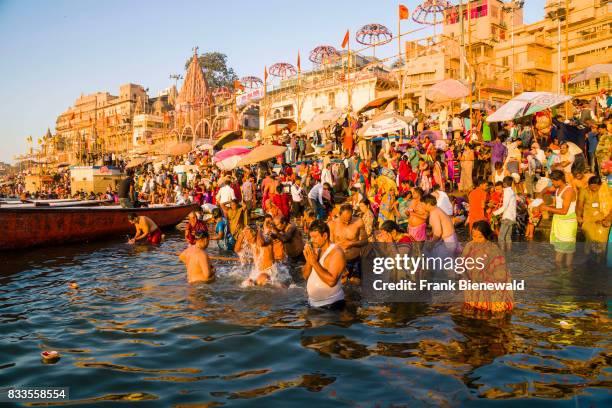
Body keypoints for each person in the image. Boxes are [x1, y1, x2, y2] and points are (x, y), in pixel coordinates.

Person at [462, 221, 514, 315]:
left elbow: (501, 274)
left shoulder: (493, 250)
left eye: (480, 237)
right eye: (473, 236)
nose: (476, 239)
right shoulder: (469, 246)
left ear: (486, 235)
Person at [303, 220, 346, 309]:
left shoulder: (336, 253)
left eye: (315, 237)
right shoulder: (316, 249)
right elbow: (305, 276)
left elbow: (331, 281)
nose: (312, 240)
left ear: (325, 236)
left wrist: (314, 263)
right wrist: (309, 261)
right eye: (311, 237)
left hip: (331, 305)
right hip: (313, 304)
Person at [538, 170, 577, 267]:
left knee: (565, 251)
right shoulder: (558, 187)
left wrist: (547, 208)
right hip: (560, 222)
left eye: (553, 181)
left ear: (560, 180)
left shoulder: (568, 191)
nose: (553, 183)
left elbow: (564, 211)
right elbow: (548, 188)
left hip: (567, 223)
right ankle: (564, 272)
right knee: (561, 249)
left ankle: (565, 272)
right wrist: (540, 195)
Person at [329, 204, 368, 282]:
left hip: (355, 259)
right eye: (344, 219)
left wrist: (352, 244)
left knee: (356, 283)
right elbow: (329, 245)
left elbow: (365, 241)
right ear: (339, 215)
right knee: (341, 284)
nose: (347, 222)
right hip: (340, 260)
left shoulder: (358, 222)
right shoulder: (332, 224)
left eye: (349, 219)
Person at [576, 175, 611, 260]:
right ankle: (589, 262)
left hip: (603, 221)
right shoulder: (584, 191)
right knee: (589, 243)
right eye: (591, 186)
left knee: (601, 244)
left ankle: (599, 262)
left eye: (596, 186)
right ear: (588, 185)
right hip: (588, 221)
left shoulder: (608, 191)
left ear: (600, 185)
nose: (594, 188)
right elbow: (579, 205)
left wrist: (608, 219)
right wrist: (579, 216)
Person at [492, 176, 517, 252]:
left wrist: (494, 213)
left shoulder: (507, 192)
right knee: (508, 236)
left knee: (501, 237)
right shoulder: (512, 191)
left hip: (507, 217)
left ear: (504, 183)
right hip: (512, 217)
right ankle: (509, 253)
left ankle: (502, 253)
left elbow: (504, 206)